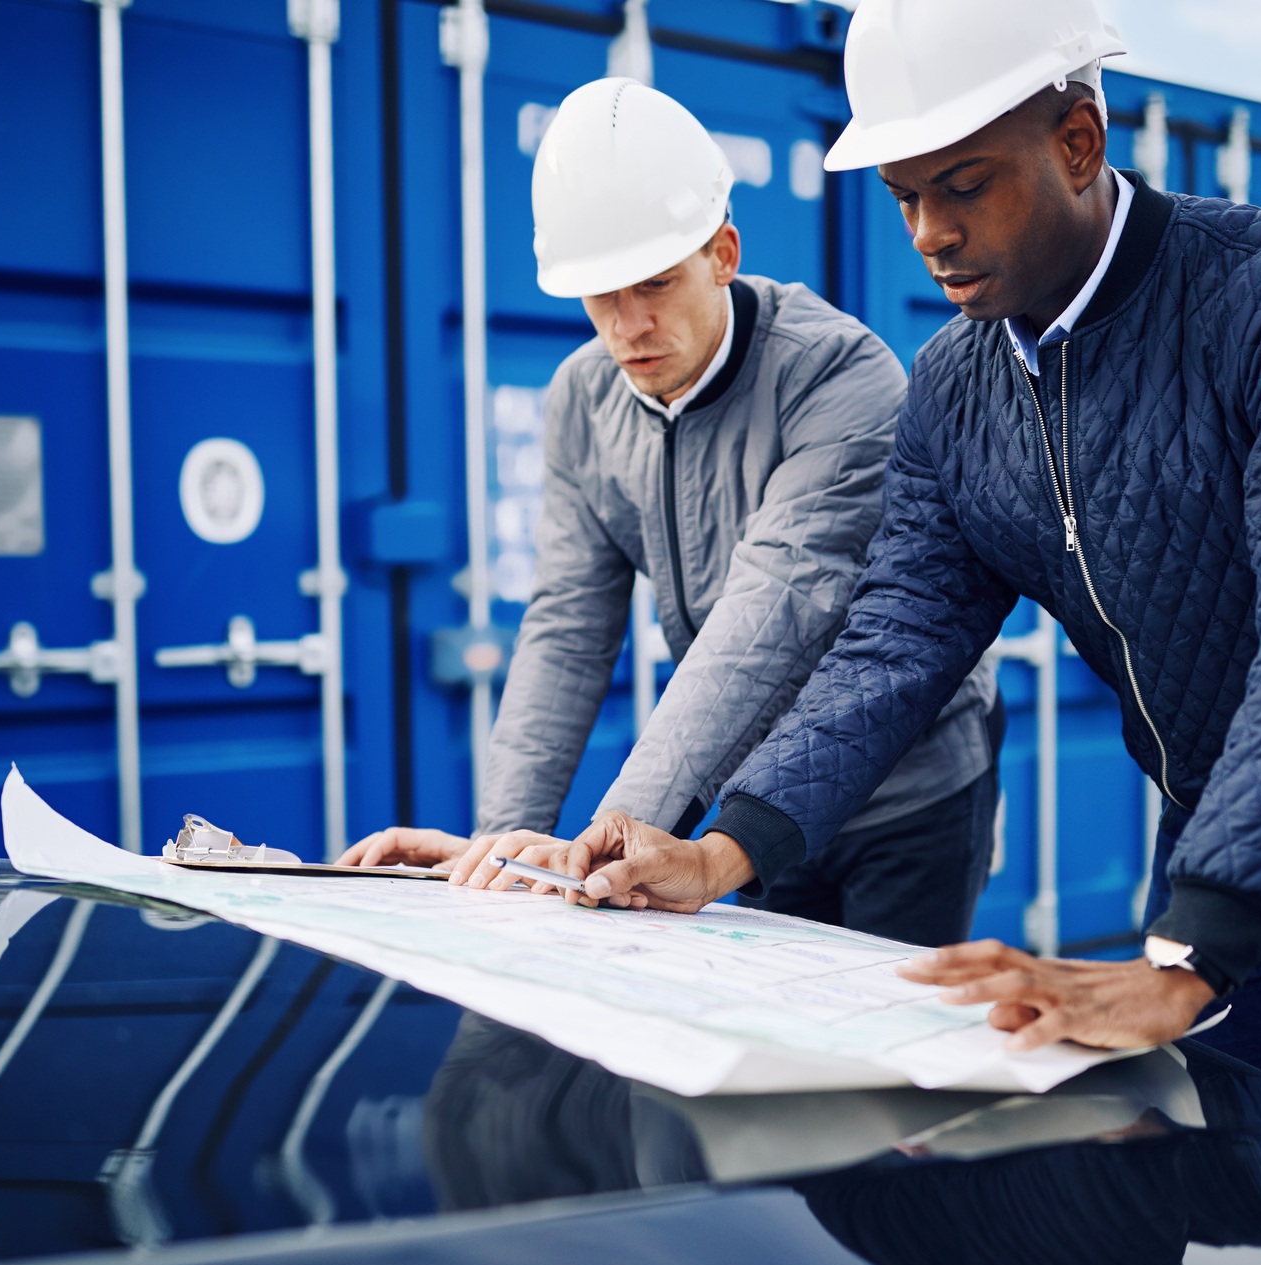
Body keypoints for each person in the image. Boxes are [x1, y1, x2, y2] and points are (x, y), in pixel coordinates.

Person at [541, 1, 1261, 1191]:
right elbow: (894, 639)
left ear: (1079, 142)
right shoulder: (954, 387)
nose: (930, 235)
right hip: (1207, 814)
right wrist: (724, 845)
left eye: (965, 185)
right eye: (904, 197)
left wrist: (1191, 950)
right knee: (1221, 1194)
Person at [340, 77, 1000, 948]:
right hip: (749, 801)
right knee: (768, 1065)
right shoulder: (582, 398)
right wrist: (497, 847)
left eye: (653, 283)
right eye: (600, 295)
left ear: (723, 253)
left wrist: (600, 849)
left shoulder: (839, 377)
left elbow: (772, 610)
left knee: (891, 1070)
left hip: (907, 794)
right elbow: (568, 629)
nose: (628, 326)